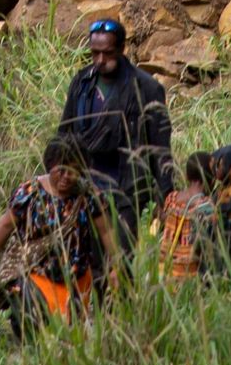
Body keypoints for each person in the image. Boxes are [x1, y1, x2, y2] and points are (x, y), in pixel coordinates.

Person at [0, 136, 119, 339]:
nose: (67, 176)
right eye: (62, 170)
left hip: (74, 278)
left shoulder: (89, 196)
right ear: (50, 165)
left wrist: (115, 266)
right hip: (32, 271)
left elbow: (106, 231)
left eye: (74, 171)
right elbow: (5, 225)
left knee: (65, 336)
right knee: (29, 316)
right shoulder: (30, 192)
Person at [57, 18, 172, 252]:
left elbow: (160, 148)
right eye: (94, 53)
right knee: (82, 256)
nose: (100, 60)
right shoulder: (82, 83)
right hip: (84, 186)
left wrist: (165, 195)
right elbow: (65, 132)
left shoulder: (145, 88)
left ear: (121, 49)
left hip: (126, 190)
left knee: (120, 258)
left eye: (107, 53)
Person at [155, 152, 216, 283]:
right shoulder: (208, 205)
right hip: (190, 274)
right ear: (212, 179)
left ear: (187, 176)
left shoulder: (172, 198)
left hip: (166, 271)